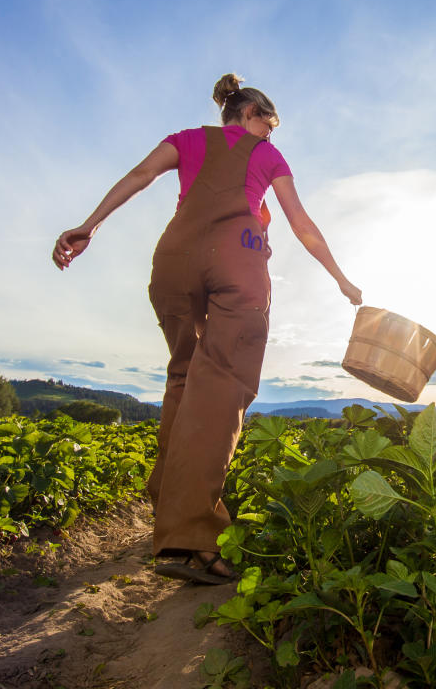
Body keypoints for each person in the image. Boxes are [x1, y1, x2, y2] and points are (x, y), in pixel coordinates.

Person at [53, 73, 362, 583]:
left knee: (184, 377)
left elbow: (138, 176)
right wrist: (342, 280)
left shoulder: (186, 140)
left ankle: (169, 507)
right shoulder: (267, 157)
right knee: (223, 386)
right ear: (249, 114)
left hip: (173, 262)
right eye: (269, 123)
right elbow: (302, 224)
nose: (271, 134)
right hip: (234, 265)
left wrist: (89, 225)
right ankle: (192, 538)